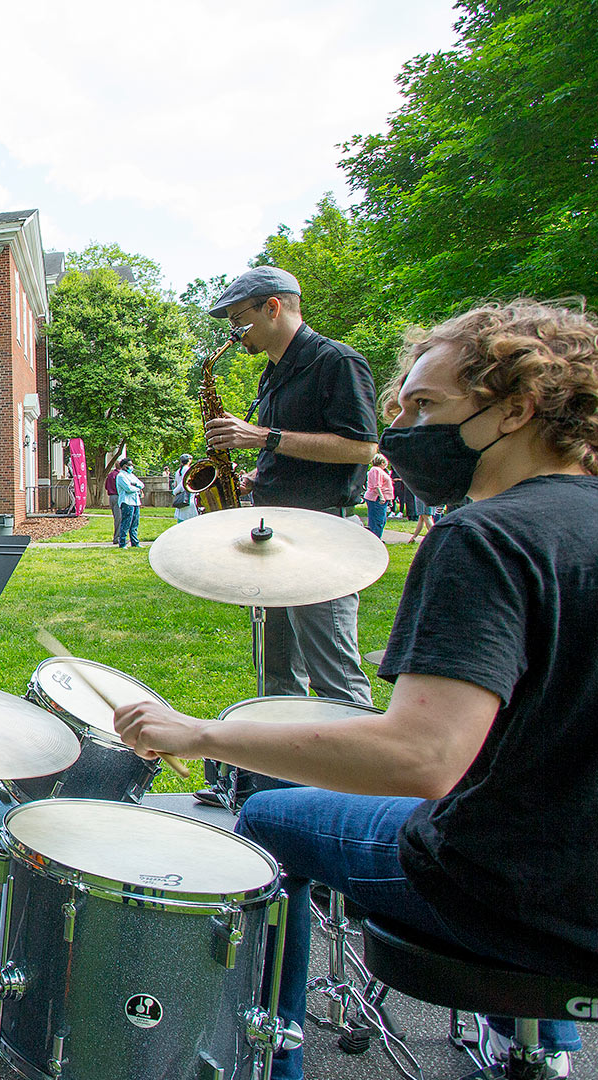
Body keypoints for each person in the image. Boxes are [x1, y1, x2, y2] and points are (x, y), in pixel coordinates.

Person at [115, 300, 598, 1080]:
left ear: (517, 407)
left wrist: (199, 733)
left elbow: (419, 759)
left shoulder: (489, 537)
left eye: (427, 406)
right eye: (400, 406)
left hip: (534, 899)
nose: (404, 429)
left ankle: (270, 1059)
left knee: (269, 814)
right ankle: (535, 1045)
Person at [204, 267, 379, 803]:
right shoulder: (272, 373)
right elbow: (287, 450)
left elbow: (361, 448)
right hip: (274, 528)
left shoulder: (337, 362)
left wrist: (264, 436)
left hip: (321, 533)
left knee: (334, 673)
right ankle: (287, 790)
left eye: (241, 320)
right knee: (274, 667)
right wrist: (257, 470)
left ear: (274, 307)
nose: (237, 334)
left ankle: (361, 792)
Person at [113, 460, 145, 547]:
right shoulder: (121, 476)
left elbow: (141, 484)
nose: (131, 467)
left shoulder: (131, 475)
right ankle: (122, 542)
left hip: (135, 501)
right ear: (124, 466)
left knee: (135, 523)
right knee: (126, 523)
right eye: (129, 465)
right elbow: (128, 489)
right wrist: (137, 488)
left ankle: (135, 542)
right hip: (126, 501)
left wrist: (135, 485)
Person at [363, 454, 395, 537]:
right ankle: (375, 537)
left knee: (381, 520)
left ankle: (377, 537)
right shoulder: (375, 470)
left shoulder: (380, 470)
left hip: (382, 498)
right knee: (377, 520)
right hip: (376, 499)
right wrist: (381, 497)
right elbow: (376, 485)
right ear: (382, 462)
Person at [171, 452, 199, 522]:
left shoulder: (178, 471)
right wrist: (175, 491)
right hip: (187, 497)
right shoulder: (188, 469)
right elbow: (183, 483)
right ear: (189, 460)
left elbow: (176, 483)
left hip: (181, 496)